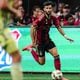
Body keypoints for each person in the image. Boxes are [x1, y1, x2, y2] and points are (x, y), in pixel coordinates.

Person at [23, 1, 74, 80]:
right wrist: (33, 42)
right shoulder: (41, 18)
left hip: (47, 41)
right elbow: (32, 28)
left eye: (50, 8)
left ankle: (59, 76)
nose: (49, 9)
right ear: (44, 9)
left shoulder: (53, 18)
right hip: (39, 43)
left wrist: (65, 36)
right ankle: (30, 50)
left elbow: (58, 27)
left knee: (56, 55)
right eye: (47, 8)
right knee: (41, 63)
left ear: (52, 9)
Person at [0, 0, 23, 80]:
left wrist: (16, 5)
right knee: (16, 56)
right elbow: (2, 5)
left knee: (16, 56)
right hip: (1, 27)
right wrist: (15, 11)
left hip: (3, 27)